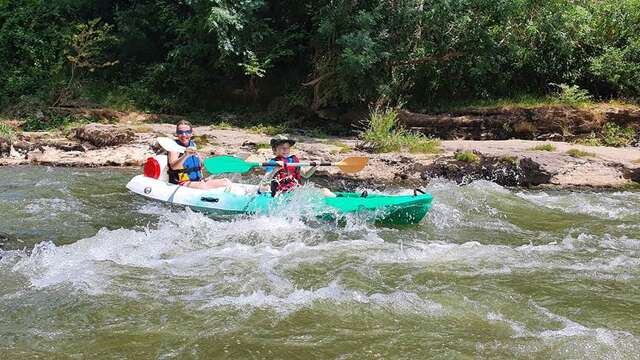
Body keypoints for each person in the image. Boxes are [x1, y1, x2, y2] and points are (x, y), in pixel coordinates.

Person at [263, 135, 335, 197]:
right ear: (274, 150)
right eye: (282, 147)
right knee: (324, 192)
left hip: (295, 191)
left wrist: (315, 166)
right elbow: (265, 180)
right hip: (281, 194)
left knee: (325, 190)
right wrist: (276, 168)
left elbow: (306, 174)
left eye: (287, 148)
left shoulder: (293, 161)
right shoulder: (273, 162)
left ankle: (338, 199)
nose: (285, 150)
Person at [167, 120, 230, 189]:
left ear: (191, 134)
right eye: (180, 132)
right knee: (202, 186)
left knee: (225, 182)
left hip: (197, 180)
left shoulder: (193, 144)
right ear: (177, 133)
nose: (184, 135)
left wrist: (215, 157)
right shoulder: (173, 147)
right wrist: (186, 155)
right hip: (181, 182)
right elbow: (173, 167)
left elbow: (201, 164)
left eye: (187, 132)